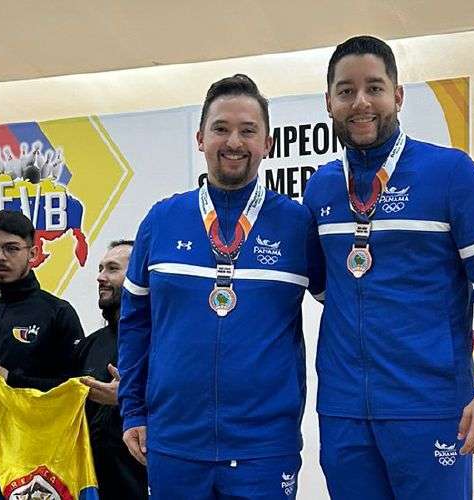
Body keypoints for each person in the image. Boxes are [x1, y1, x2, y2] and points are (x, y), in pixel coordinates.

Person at [302, 35, 474, 499]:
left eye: (374, 88)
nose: (361, 102)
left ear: (398, 96)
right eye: (346, 90)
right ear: (329, 102)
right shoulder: (320, 189)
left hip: (431, 406)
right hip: (343, 412)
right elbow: (327, 287)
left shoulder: (451, 173)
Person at [118, 74, 323, 499]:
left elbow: (348, 311)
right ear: (200, 138)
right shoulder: (162, 220)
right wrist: (133, 409)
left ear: (267, 142)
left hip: (264, 449)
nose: (234, 141)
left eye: (248, 131)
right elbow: (135, 324)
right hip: (175, 445)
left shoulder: (297, 224)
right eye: (221, 128)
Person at [0, 210, 83, 391]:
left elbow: (76, 388)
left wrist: (10, 379)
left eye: (11, 248)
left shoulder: (58, 313)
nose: (0, 257)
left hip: (35, 419)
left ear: (32, 254)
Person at [74, 240, 147, 499]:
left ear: (139, 276)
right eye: (100, 268)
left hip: (146, 483)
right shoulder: (90, 344)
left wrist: (128, 399)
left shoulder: (164, 340)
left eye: (112, 269)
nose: (100, 277)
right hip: (95, 485)